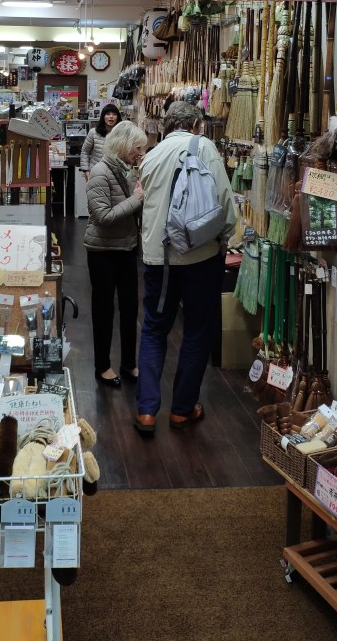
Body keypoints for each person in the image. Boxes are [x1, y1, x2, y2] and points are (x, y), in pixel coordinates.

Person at [134, 101, 236, 434]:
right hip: (199, 255)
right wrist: (225, 238)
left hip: (157, 257)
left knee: (154, 329)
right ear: (196, 125)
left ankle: (146, 411)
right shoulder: (203, 147)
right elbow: (225, 203)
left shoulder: (152, 155)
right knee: (196, 330)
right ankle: (181, 409)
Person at [84, 120, 148, 387]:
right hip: (103, 251)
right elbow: (103, 216)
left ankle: (129, 363)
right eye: (137, 148)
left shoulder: (125, 170)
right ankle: (102, 367)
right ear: (123, 145)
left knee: (130, 309)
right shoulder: (100, 172)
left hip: (126, 248)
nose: (140, 153)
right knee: (104, 311)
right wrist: (136, 199)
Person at [80, 103, 122, 181]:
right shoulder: (93, 132)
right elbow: (85, 151)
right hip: (95, 173)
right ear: (103, 117)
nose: (111, 116)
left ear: (118, 117)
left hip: (116, 175)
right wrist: (86, 170)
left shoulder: (122, 134)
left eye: (114, 114)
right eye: (108, 114)